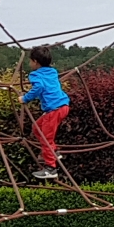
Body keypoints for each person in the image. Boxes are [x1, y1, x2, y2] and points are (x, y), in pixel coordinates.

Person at [19, 46, 70, 180]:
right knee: (37, 128)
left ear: (35, 61)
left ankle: (50, 168)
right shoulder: (52, 71)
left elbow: (39, 87)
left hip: (54, 109)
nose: (30, 64)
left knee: (46, 137)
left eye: (30, 61)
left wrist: (25, 98)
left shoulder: (35, 75)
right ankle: (54, 151)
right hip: (63, 106)